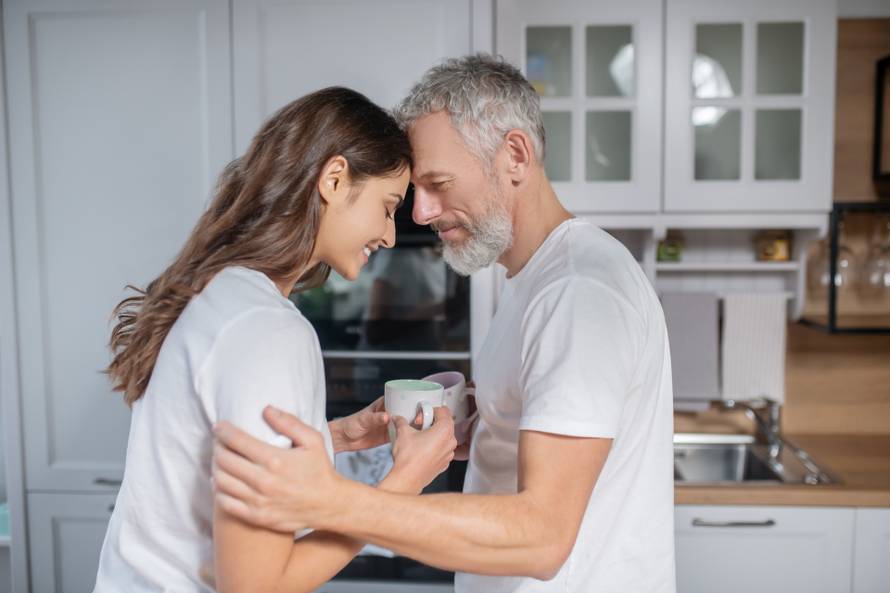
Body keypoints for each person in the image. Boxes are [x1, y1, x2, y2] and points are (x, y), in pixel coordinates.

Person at [212, 54, 677, 593]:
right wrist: (490, 426)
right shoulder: (534, 280)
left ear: (516, 156)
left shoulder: (577, 291)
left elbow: (543, 539)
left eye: (438, 183)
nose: (420, 213)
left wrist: (336, 500)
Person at [93, 87, 457, 593]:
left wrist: (343, 436)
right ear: (334, 179)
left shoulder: (220, 294)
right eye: (387, 205)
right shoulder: (269, 330)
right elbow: (255, 586)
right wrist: (402, 486)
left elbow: (213, 458)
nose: (390, 235)